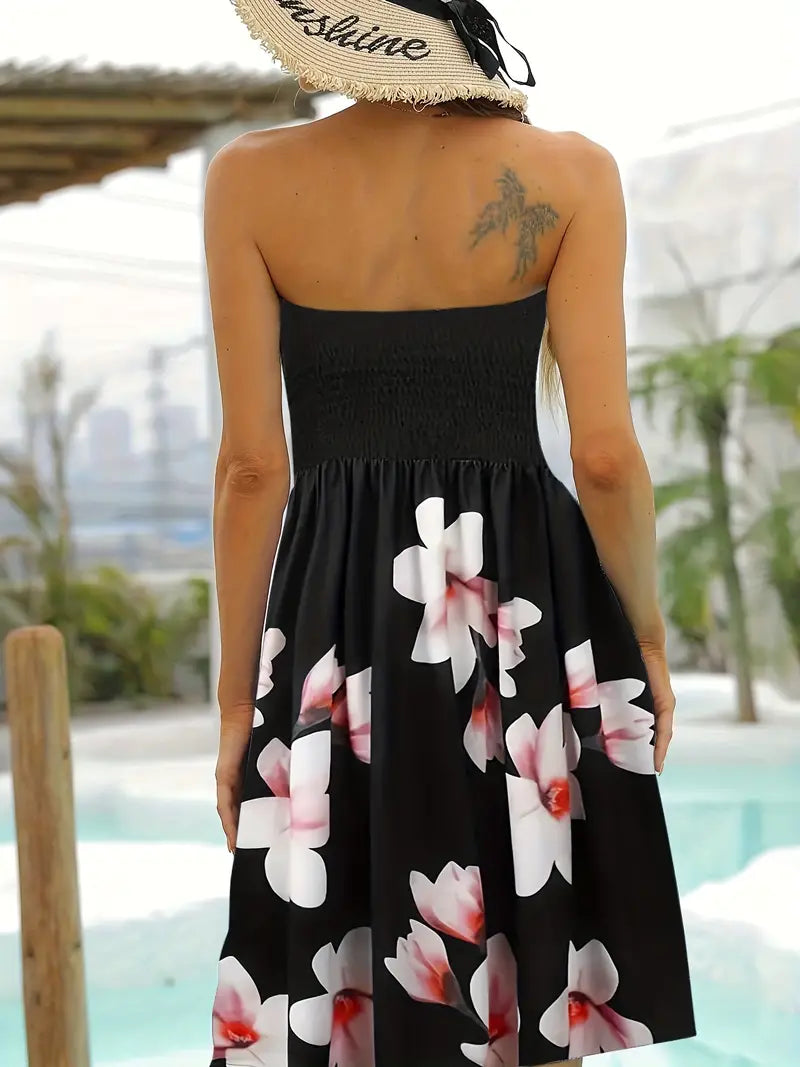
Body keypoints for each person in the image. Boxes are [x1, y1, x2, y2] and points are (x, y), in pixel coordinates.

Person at [204, 2, 696, 1065]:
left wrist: (238, 700)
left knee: (342, 978)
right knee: (536, 952)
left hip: (337, 608)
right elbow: (606, 456)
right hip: (523, 598)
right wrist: (647, 638)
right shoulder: (571, 173)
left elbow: (251, 469)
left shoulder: (248, 178)